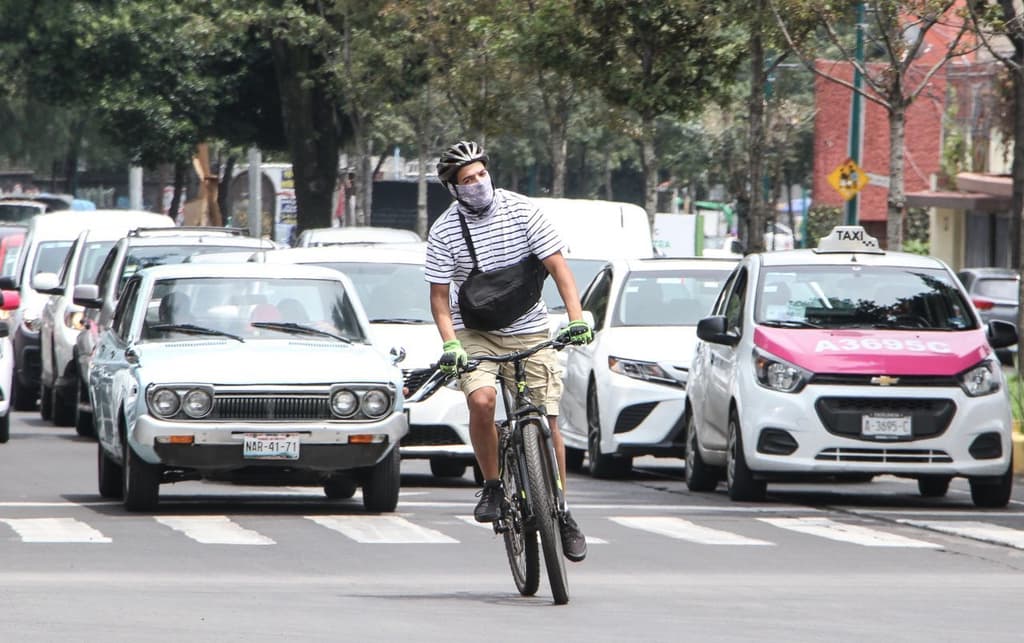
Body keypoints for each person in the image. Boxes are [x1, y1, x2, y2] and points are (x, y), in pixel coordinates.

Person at [424, 140, 593, 563]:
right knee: (482, 400)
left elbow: (558, 268)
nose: (478, 183)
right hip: (474, 332)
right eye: (468, 180)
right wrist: (450, 345)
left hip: (530, 328)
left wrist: (575, 319)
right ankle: (494, 485)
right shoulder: (444, 231)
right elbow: (440, 298)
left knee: (547, 418)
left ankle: (562, 510)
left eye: (481, 174)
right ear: (454, 189)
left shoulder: (522, 210)